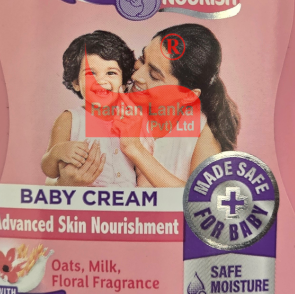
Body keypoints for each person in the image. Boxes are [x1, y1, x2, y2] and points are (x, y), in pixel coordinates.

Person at [59, 23, 240, 188]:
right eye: (142, 59)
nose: (136, 76)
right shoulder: (114, 106)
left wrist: (134, 148)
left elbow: (201, 199)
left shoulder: (203, 131)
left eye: (154, 75)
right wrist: (66, 182)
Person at [41, 30, 143, 187]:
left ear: (123, 82)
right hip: (86, 198)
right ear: (76, 83)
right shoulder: (70, 119)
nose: (100, 80)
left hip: (128, 200)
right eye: (90, 73)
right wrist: (58, 152)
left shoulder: (131, 118)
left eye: (111, 73)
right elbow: (49, 170)